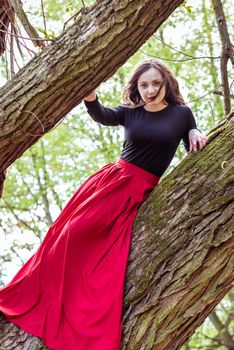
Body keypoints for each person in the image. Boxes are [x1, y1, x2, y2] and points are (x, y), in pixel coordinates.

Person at [0, 59, 208, 350]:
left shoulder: (182, 114)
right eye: (144, 85)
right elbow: (102, 115)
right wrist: (90, 97)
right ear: (136, 87)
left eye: (155, 84)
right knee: (70, 233)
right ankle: (37, 295)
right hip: (112, 183)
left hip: (142, 188)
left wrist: (194, 133)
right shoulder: (130, 113)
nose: (150, 90)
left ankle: (76, 308)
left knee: (97, 250)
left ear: (167, 84)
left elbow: (191, 140)